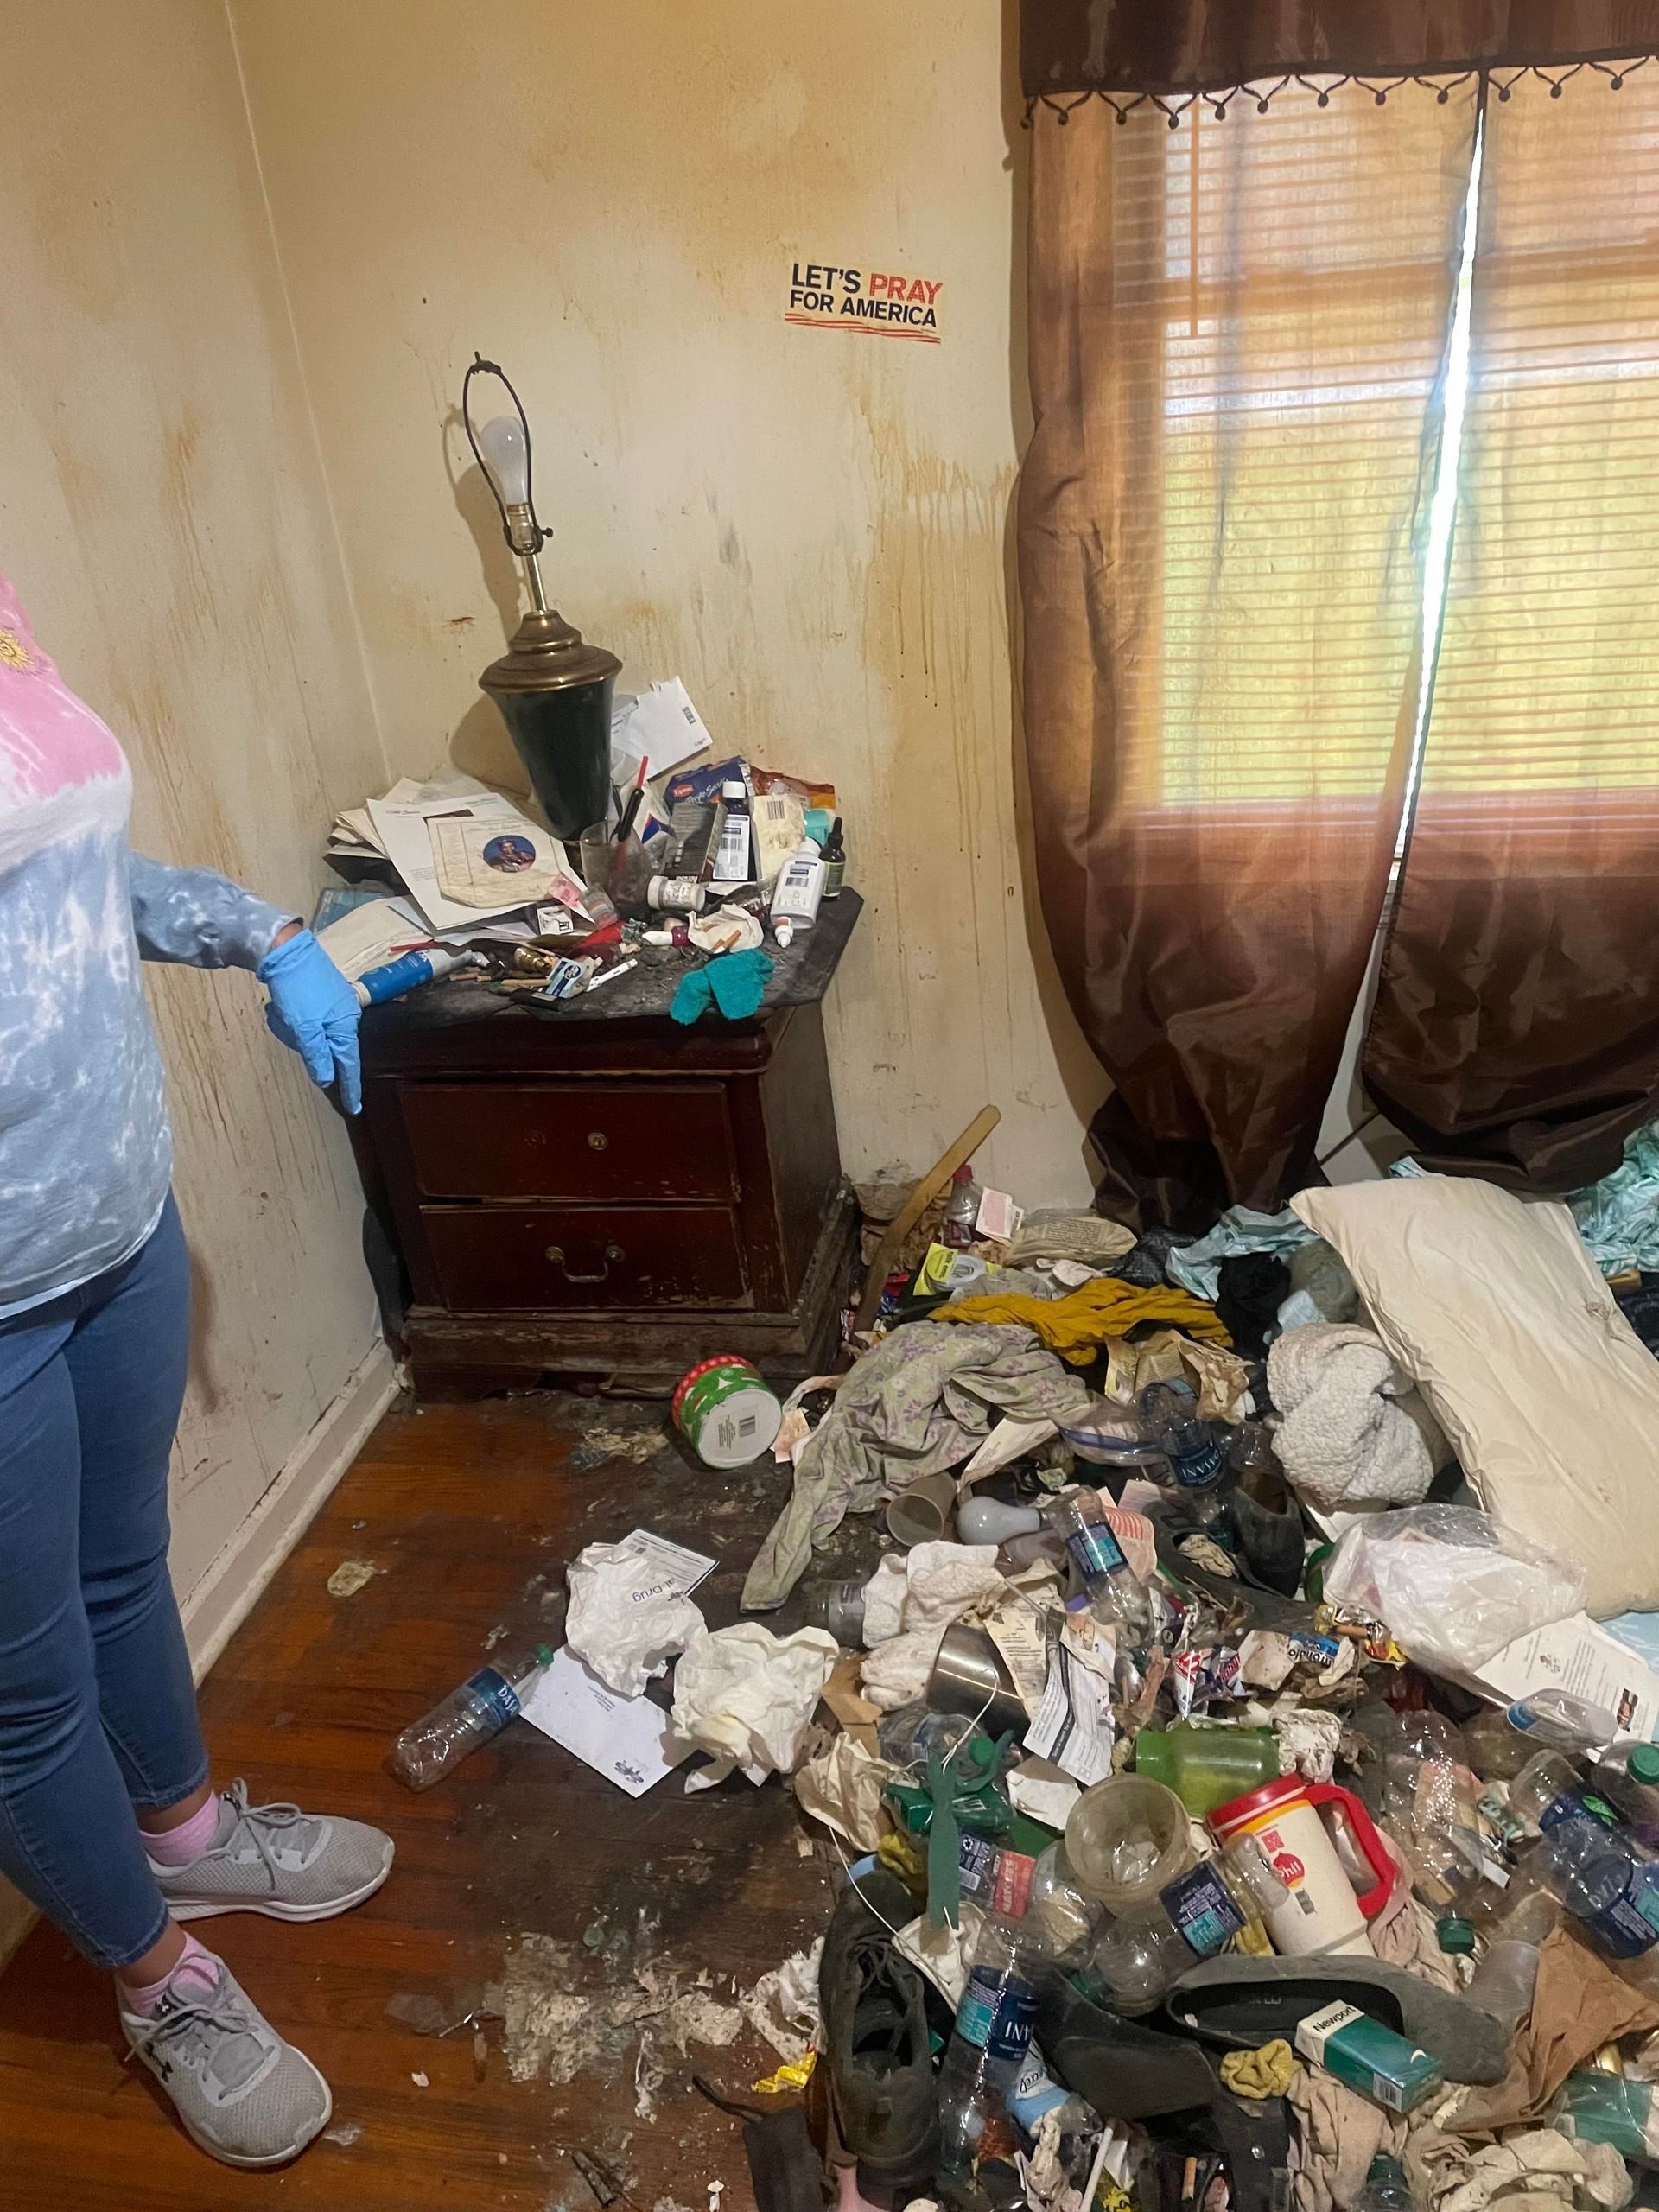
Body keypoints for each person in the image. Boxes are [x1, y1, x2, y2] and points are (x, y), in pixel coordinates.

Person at [0, 575, 391, 2169]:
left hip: (118, 1224)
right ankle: (158, 1981)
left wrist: (263, 928)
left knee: (121, 1570)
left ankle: (187, 1837)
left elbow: (69, 879)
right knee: (24, 1699)